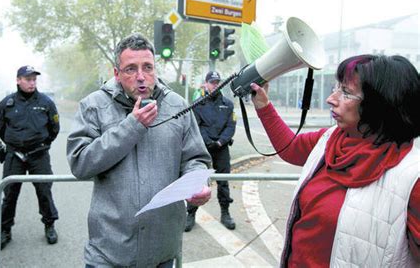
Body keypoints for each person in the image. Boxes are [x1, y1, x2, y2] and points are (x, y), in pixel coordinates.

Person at [250, 54, 420, 267]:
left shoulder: (412, 178)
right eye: (336, 88)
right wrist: (263, 106)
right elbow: (291, 149)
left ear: (381, 104)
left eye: (346, 92)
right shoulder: (330, 138)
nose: (331, 99)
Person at [66, 33, 212, 267]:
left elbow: (195, 158)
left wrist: (198, 184)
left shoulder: (177, 105)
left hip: (162, 251)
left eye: (147, 67)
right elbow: (81, 163)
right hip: (109, 253)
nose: (141, 77)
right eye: (131, 69)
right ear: (116, 73)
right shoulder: (93, 106)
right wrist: (132, 126)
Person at [0, 65, 60, 250]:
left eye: (34, 79)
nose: (32, 82)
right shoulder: (7, 103)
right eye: (28, 79)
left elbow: (54, 129)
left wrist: (41, 144)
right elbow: (1, 127)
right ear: (18, 80)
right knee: (9, 194)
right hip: (14, 155)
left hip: (38, 155)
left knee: (44, 192)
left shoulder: (46, 103)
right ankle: (5, 229)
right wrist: (14, 143)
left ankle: (49, 225)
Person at [185, 71, 237, 232]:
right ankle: (190, 213)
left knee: (223, 182)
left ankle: (225, 213)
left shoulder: (228, 104)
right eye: (212, 82)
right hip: (203, 148)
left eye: (217, 82)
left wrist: (220, 141)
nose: (215, 84)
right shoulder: (198, 104)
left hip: (221, 149)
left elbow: (231, 126)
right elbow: (197, 126)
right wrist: (208, 142)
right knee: (197, 182)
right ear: (206, 84)